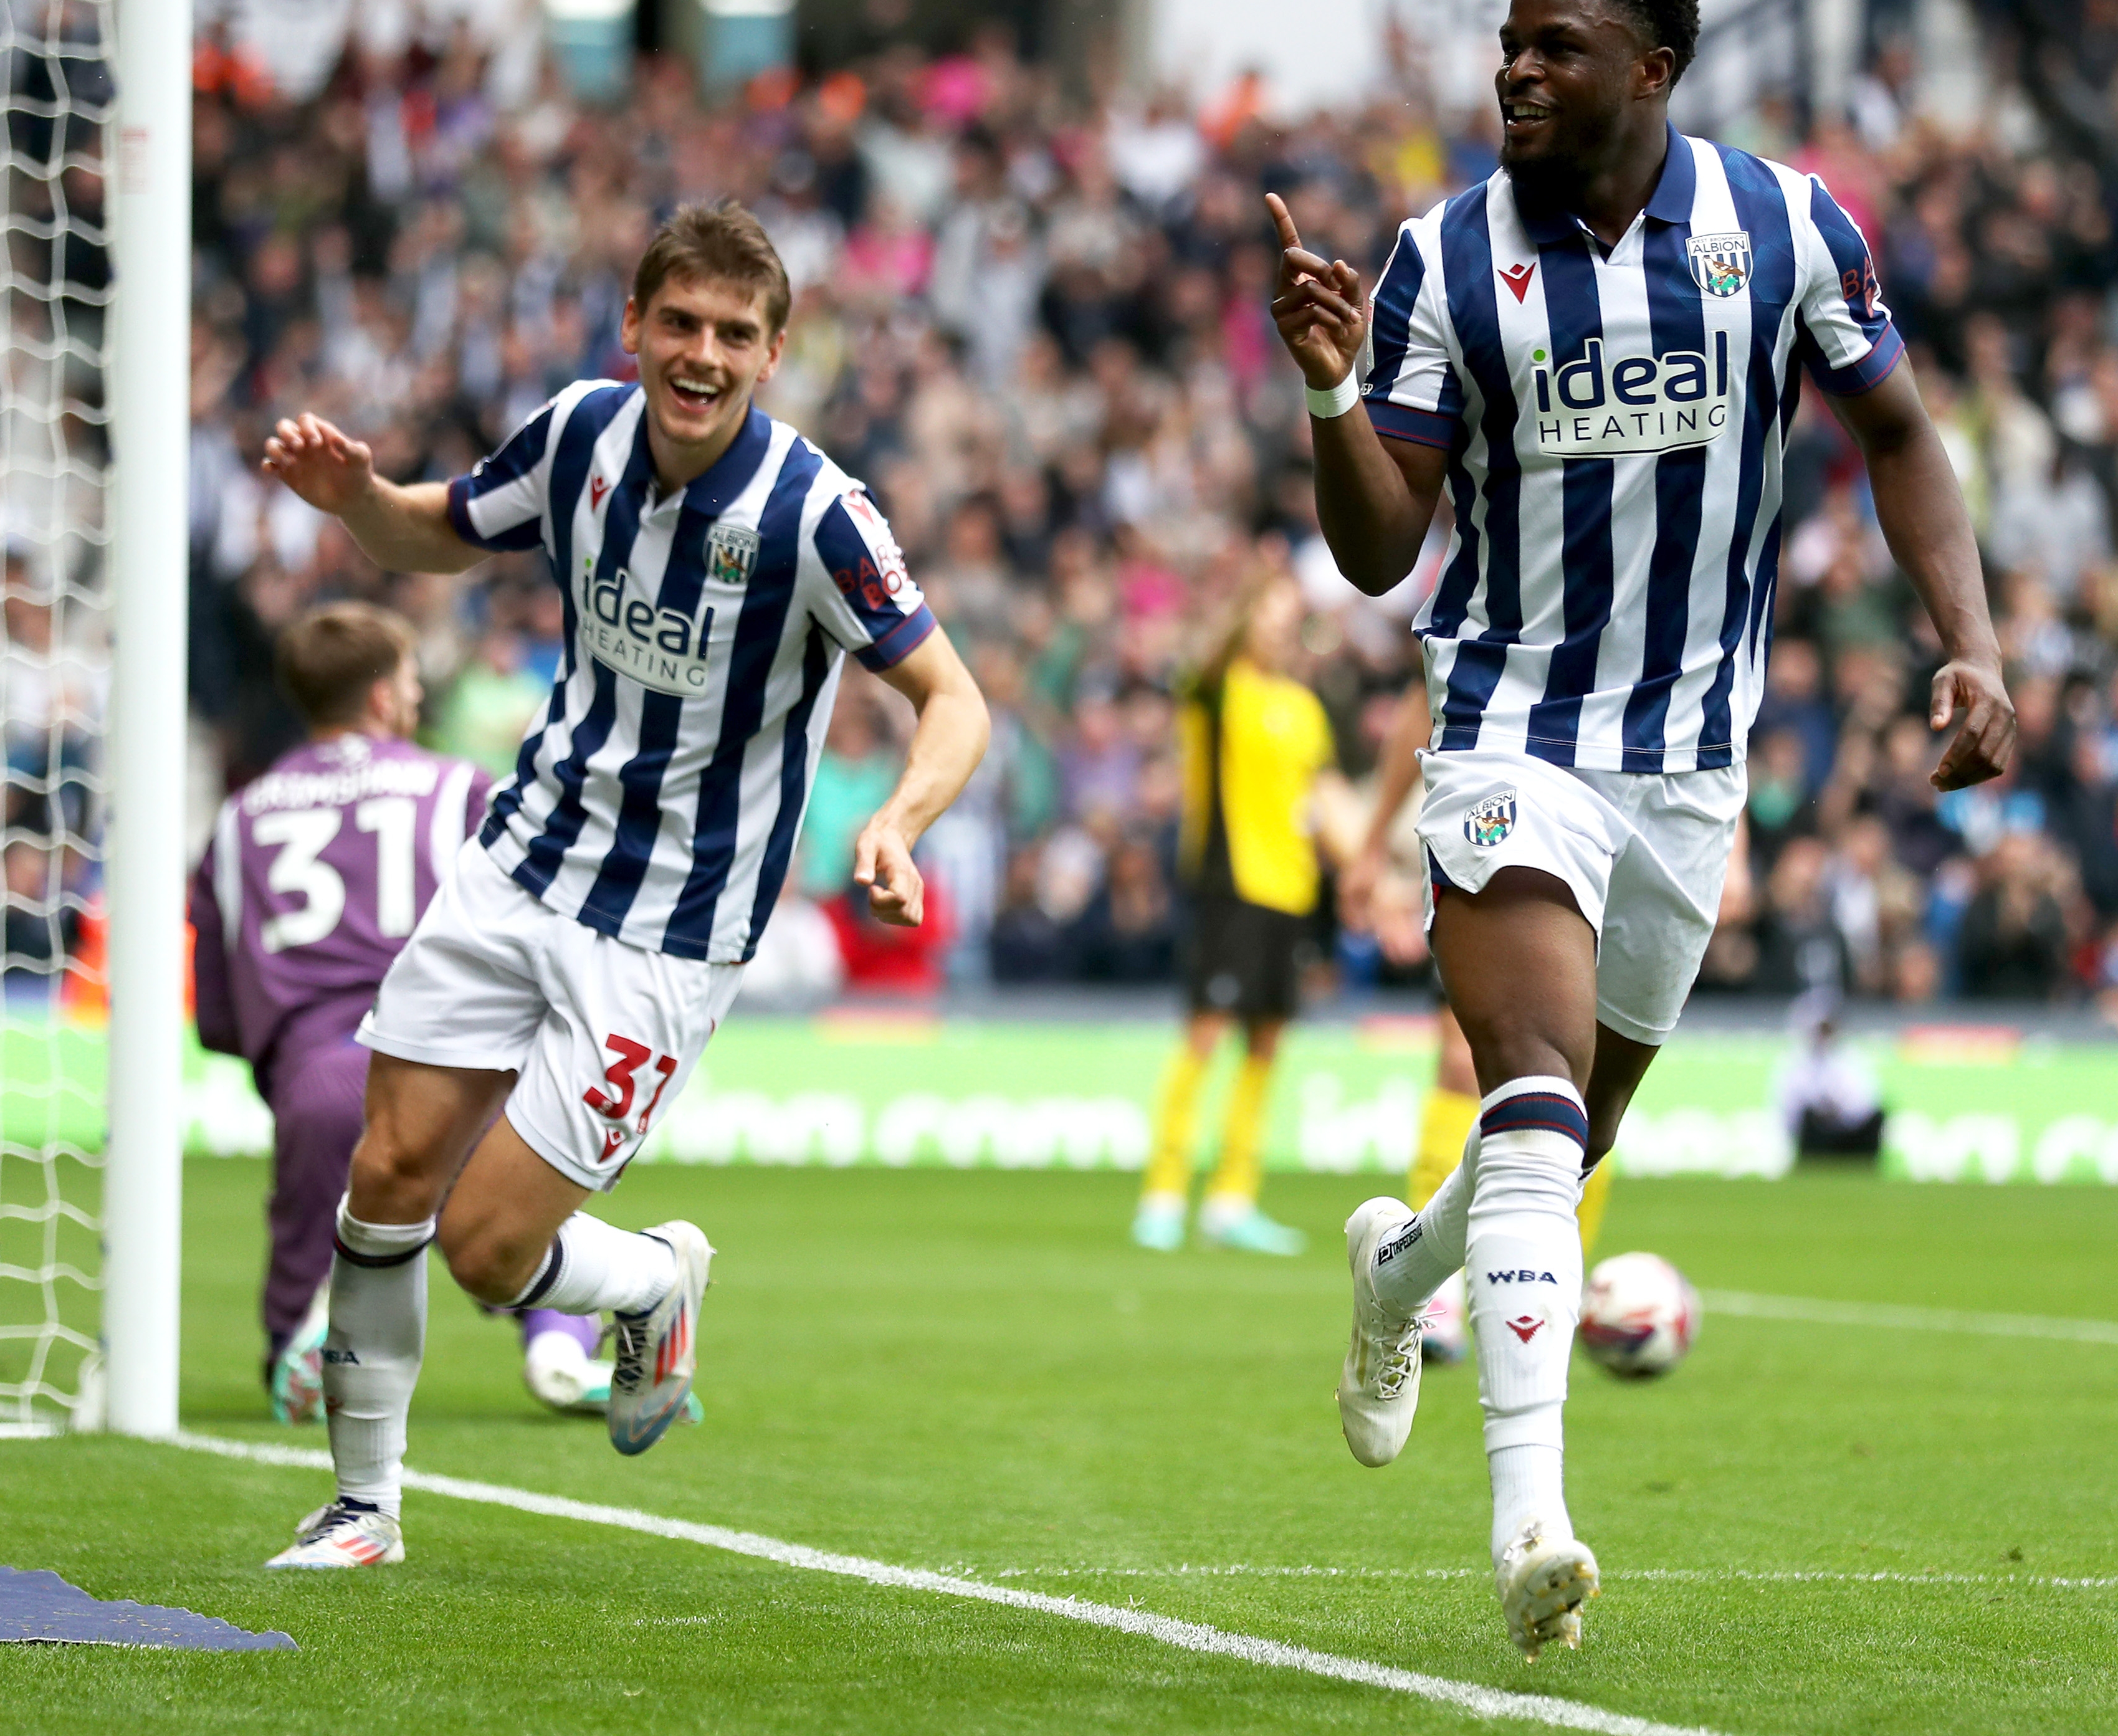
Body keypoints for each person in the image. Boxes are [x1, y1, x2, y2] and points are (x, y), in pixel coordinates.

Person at [1267, 0, 2013, 1659]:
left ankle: (1395, 1275)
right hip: (1510, 730)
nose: (1514, 71)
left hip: (1688, 763)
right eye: (1504, 46)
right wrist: (1325, 385)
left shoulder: (1783, 227)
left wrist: (1973, 642)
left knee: (1564, 1136)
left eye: (1554, 46)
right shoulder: (1447, 256)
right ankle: (1532, 1514)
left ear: (1651, 68)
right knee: (1526, 1085)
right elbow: (1382, 547)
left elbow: (1899, 432)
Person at [250, 204, 991, 1570]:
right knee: (387, 1172)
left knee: (483, 1251)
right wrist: (356, 497)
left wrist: (898, 814)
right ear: (636, 328)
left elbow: (951, 697)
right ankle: (363, 1504)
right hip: (521, 856)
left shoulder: (816, 516)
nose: (700, 354)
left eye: (733, 334)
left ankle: (651, 1279)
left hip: (668, 925)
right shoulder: (580, 432)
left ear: (772, 354)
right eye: (679, 325)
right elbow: (438, 530)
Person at [189, 602, 626, 1426]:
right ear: (386, 698)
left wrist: (283, 1060)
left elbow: (215, 1005)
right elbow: (534, 917)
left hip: (313, 1069)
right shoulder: (457, 788)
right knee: (518, 1212)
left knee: (317, 1251)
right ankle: (559, 1348)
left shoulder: (239, 816)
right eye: (413, 682)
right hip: (444, 1055)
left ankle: (305, 1335)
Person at [1355, 676, 1616, 1368]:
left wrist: (1727, 854)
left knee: (1589, 1078)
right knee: (1456, 1057)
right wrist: (1371, 835)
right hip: (1500, 803)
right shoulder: (1486, 579)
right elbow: (1420, 697)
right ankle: (1428, 1288)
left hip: (1619, 814)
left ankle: (1558, 1275)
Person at [1132, 561, 1355, 1257]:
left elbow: (1327, 800)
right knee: (1204, 1034)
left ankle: (1232, 1197)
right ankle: (1164, 1190)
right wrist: (1244, 598)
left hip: (1290, 893)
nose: (1282, 626)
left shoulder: (1304, 706)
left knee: (1265, 1043)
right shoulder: (1217, 691)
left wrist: (1371, 872)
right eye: (1271, 612)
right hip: (1228, 884)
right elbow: (1196, 658)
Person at [1770, 987, 1882, 1160]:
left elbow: (1865, 1105)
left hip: (1848, 1134)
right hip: (1813, 1138)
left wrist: (1837, 1110)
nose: (1824, 1036)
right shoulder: (1794, 1063)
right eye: (1821, 1029)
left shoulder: (1851, 1058)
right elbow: (1787, 1112)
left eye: (1828, 1029)